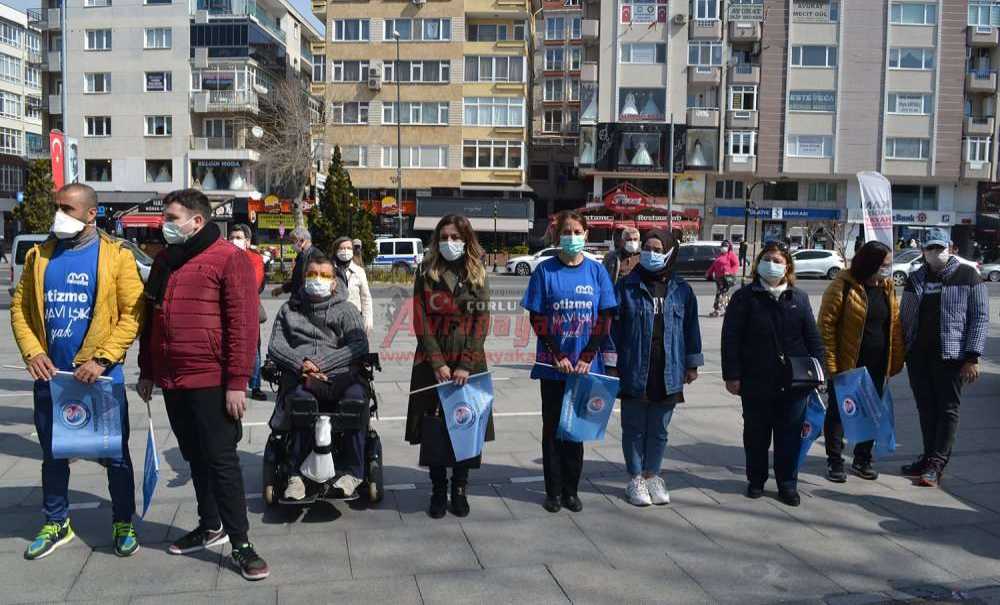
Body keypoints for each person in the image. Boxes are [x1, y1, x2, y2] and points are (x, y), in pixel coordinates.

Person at [137, 189, 268, 581]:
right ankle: (210, 525)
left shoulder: (230, 260)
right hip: (174, 380)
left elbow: (243, 327)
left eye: (172, 218)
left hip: (212, 380)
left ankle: (241, 543)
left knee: (221, 460)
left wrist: (237, 383)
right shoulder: (165, 261)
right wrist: (146, 370)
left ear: (197, 221)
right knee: (195, 457)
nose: (165, 225)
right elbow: (151, 320)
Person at [11, 183, 145, 560]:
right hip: (52, 380)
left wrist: (102, 358)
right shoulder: (40, 256)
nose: (59, 215)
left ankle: (122, 522)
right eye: (57, 207)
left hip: (101, 379)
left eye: (67, 208)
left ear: (90, 214)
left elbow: (133, 313)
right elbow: (19, 309)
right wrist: (33, 351)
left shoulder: (116, 257)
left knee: (115, 456)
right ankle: (57, 522)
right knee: (53, 454)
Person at [521, 210, 616, 513]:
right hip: (553, 366)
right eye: (566, 232)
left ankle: (571, 490)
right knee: (552, 430)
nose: (572, 237)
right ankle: (552, 492)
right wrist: (557, 354)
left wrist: (588, 356)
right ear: (557, 235)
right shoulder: (545, 272)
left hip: (585, 368)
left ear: (586, 235)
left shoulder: (596, 272)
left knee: (575, 432)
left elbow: (605, 317)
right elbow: (537, 317)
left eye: (577, 231)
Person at [721, 241, 825, 507]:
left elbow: (812, 337)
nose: (773, 264)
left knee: (789, 436)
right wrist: (732, 375)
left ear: (788, 266)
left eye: (779, 260)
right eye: (768, 259)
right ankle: (755, 480)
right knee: (756, 435)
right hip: (756, 379)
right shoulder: (744, 297)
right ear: (758, 264)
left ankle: (787, 484)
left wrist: (822, 370)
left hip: (795, 383)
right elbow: (730, 338)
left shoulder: (798, 298)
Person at [405, 215, 493, 518]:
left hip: (469, 362)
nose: (449, 243)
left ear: (466, 240)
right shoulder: (426, 271)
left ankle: (460, 487)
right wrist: (438, 363)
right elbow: (421, 320)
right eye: (444, 237)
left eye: (455, 237)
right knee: (434, 428)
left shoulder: (477, 272)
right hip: (432, 361)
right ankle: (438, 487)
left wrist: (466, 365)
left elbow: (482, 321)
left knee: (465, 425)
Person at [609, 229, 702, 507]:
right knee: (634, 428)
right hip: (634, 368)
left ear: (670, 252)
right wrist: (612, 365)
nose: (651, 253)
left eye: (658, 248)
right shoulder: (626, 286)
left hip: (669, 370)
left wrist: (692, 364)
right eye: (647, 248)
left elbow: (691, 329)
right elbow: (612, 329)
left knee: (660, 429)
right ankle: (635, 478)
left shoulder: (682, 289)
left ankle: (653, 475)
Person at [267, 253, 370, 501]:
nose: (318, 280)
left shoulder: (346, 310)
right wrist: (302, 365)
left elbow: (359, 345)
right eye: (312, 274)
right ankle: (296, 476)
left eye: (324, 276)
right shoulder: (289, 310)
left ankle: (353, 473)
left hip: (340, 376)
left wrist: (321, 363)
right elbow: (276, 346)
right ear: (303, 279)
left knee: (356, 403)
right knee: (301, 406)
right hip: (302, 376)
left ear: (334, 282)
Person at [899, 236, 989, 487]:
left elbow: (979, 318)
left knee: (947, 410)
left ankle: (937, 464)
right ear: (923, 251)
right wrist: (901, 351)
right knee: (926, 410)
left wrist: (972, 357)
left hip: (952, 357)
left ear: (951, 248)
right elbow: (904, 318)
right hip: (918, 357)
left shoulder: (968, 275)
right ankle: (928, 457)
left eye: (940, 248)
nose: (935, 252)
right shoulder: (916, 277)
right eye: (930, 248)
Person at [817, 241, 904, 483]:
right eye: (885, 264)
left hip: (877, 364)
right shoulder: (842, 286)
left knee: (871, 412)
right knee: (838, 413)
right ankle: (835, 461)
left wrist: (896, 359)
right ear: (871, 264)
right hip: (848, 363)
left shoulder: (887, 287)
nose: (888, 269)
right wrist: (831, 366)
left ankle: (862, 459)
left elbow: (894, 325)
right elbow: (825, 327)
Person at [229, 224, 268, 402]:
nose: (234, 240)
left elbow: (255, 282)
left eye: (238, 237)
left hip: (249, 308)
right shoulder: (224, 257)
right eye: (232, 237)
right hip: (229, 307)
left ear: (247, 241)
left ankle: (255, 384)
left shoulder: (254, 258)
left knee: (253, 348)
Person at [333, 236, 374, 334]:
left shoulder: (359, 271)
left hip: (355, 319)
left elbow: (366, 298)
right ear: (335, 250)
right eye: (342, 248)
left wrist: (368, 320)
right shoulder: (328, 270)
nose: (345, 251)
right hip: (334, 320)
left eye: (348, 248)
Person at [272, 226, 321, 300]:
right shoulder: (301, 255)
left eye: (293, 242)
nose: (291, 245)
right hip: (298, 299)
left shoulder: (316, 256)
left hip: (307, 301)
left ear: (302, 241)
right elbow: (297, 280)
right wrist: (282, 289)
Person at [705, 240, 739, 317]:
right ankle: (729, 310)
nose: (723, 248)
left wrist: (730, 271)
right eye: (722, 246)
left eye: (725, 246)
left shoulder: (731, 255)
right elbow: (714, 265)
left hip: (727, 278)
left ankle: (717, 310)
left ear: (729, 247)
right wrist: (708, 272)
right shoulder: (720, 255)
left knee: (720, 294)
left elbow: (736, 265)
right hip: (719, 278)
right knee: (725, 294)